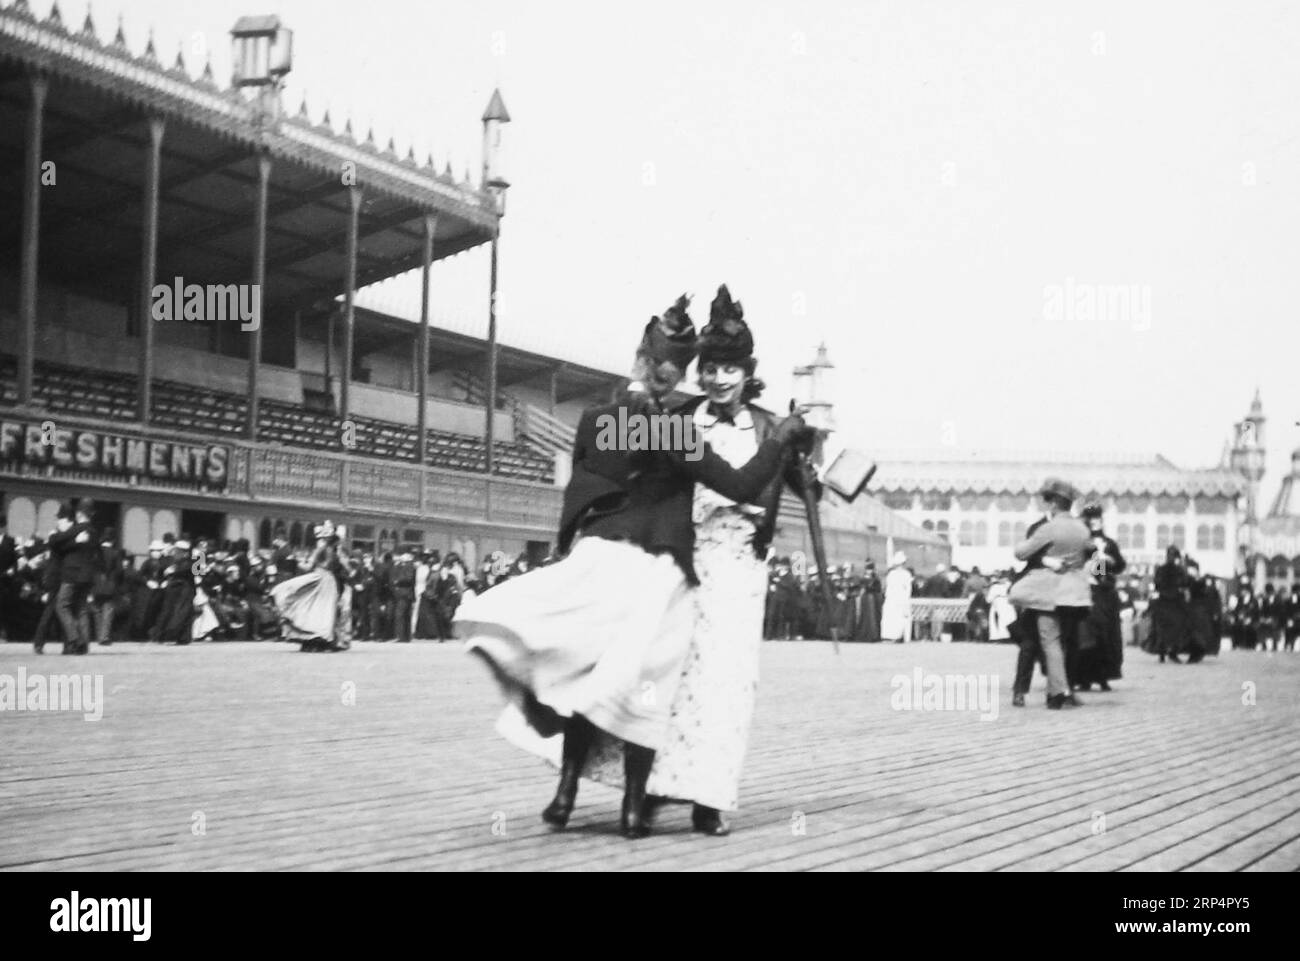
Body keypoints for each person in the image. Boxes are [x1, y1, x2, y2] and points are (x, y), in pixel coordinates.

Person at [455, 294, 812, 839]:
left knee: (594, 666)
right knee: (645, 683)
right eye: (700, 370)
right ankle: (629, 807)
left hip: (603, 553)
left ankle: (566, 780)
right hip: (662, 565)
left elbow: (587, 479)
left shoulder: (603, 418)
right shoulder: (670, 427)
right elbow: (738, 484)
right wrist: (780, 442)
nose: (712, 379)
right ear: (679, 372)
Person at [641, 284, 819, 835]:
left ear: (749, 371)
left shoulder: (771, 426)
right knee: (670, 675)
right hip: (683, 558)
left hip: (741, 567)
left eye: (730, 369)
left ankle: (708, 798)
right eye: (711, 368)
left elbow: (806, 484)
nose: (719, 378)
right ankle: (649, 787)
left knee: (726, 682)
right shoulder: (679, 418)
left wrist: (805, 454)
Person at [1009, 478, 1091, 709]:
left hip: (1048, 594)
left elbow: (1021, 553)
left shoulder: (1048, 528)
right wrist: (1091, 571)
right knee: (1064, 643)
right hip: (1076, 595)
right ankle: (1060, 690)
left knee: (1050, 642)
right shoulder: (1082, 529)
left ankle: (1059, 692)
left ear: (1054, 504)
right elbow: (1097, 561)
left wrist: (1046, 559)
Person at [1072, 503, 1126, 691]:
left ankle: (1103, 675)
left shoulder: (1108, 543)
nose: (1094, 522)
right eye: (1090, 518)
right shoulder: (1080, 542)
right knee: (1085, 636)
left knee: (1105, 635)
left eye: (1097, 518)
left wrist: (1109, 560)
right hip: (1085, 590)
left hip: (1103, 594)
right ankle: (1084, 677)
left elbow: (1119, 565)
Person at [271, 521, 347, 652]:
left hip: (319, 579)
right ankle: (324, 640)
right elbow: (341, 568)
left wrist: (297, 560)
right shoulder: (335, 552)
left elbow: (308, 567)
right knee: (325, 611)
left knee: (310, 608)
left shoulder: (320, 549)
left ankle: (311, 639)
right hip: (329, 582)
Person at [47, 500, 99, 655]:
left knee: (61, 605)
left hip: (71, 573)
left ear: (79, 514)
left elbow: (56, 542)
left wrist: (56, 535)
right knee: (82, 609)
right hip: (87, 575)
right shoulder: (94, 532)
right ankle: (84, 645)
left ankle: (75, 638)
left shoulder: (77, 529)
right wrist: (75, 543)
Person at [1150, 546, 1191, 662]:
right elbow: (1185, 583)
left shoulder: (1161, 569)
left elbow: (1157, 584)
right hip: (1174, 602)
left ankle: (1164, 652)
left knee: (1164, 628)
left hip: (1165, 601)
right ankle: (1170, 652)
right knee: (1174, 628)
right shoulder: (1179, 570)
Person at [881, 551, 913, 643]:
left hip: (891, 598)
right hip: (900, 598)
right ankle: (897, 636)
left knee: (890, 617)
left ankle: (888, 636)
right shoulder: (906, 574)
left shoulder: (891, 574)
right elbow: (908, 589)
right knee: (899, 617)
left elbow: (887, 588)